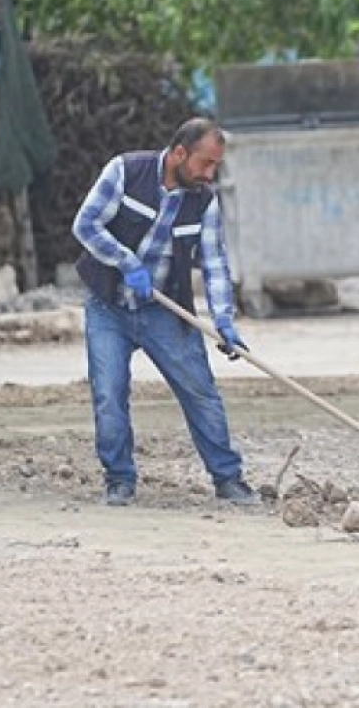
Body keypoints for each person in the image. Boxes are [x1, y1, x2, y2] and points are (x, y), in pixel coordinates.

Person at [71, 118, 258, 507]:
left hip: (163, 311)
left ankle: (228, 478)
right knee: (109, 394)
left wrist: (224, 318)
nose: (209, 175)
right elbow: (86, 225)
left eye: (215, 167)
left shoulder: (203, 200)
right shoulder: (125, 171)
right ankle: (119, 480)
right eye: (205, 164)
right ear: (178, 154)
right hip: (110, 307)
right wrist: (125, 262)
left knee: (201, 392)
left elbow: (215, 262)